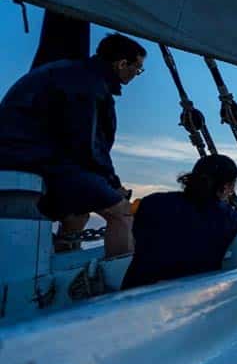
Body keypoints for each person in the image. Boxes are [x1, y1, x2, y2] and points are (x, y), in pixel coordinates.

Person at [0, 31, 146, 257]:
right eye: (137, 68)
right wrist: (112, 185)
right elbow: (86, 145)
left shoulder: (73, 74)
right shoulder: (88, 86)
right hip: (37, 161)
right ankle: (125, 283)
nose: (137, 74)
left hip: (24, 157)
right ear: (121, 63)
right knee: (122, 212)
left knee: (78, 214)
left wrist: (107, 181)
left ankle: (65, 265)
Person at [121, 154, 237, 290]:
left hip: (131, 292)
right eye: (232, 185)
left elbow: (137, 235)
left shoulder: (151, 202)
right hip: (186, 299)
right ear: (225, 187)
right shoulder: (228, 218)